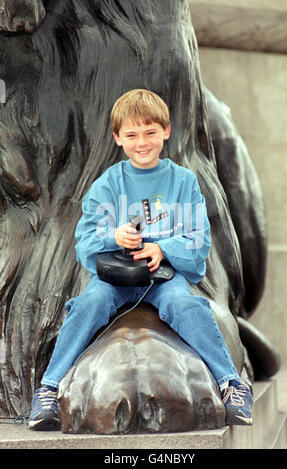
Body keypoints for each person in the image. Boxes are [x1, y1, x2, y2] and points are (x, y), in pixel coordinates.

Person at [28, 89, 253, 430]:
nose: (142, 142)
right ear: (118, 138)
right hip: (115, 277)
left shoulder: (183, 182)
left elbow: (198, 238)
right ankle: (48, 388)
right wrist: (113, 236)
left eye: (150, 132)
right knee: (90, 303)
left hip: (164, 276)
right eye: (131, 135)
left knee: (186, 304)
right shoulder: (107, 185)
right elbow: (84, 242)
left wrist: (163, 249)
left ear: (166, 131)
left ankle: (231, 383)